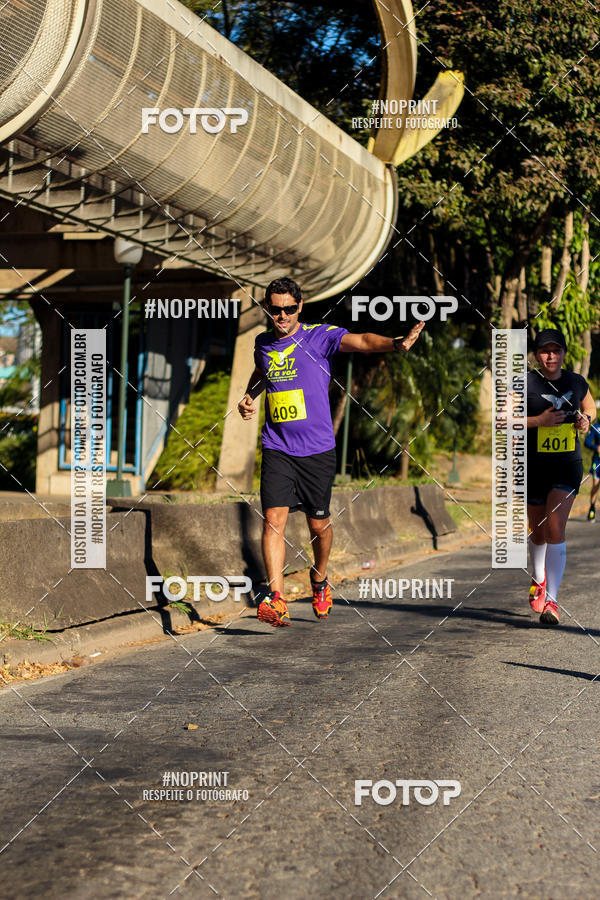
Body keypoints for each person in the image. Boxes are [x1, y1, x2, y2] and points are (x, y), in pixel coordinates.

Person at [238, 276, 424, 627]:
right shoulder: (262, 343)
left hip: (317, 451)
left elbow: (364, 341)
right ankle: (276, 600)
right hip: (277, 446)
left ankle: (320, 578)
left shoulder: (318, 337)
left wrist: (396, 343)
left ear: (300, 307)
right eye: (276, 310)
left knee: (318, 525)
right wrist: (250, 397)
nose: (282, 316)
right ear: (267, 308)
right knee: (273, 521)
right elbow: (263, 373)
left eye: (289, 310)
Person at [526, 328, 596, 625]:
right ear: (537, 355)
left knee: (556, 527)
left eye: (556, 350)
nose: (550, 355)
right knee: (538, 530)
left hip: (567, 464)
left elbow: (589, 405)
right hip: (532, 466)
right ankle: (539, 579)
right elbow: (503, 419)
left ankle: (552, 602)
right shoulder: (525, 381)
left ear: (564, 353)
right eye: (544, 350)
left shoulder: (576, 382)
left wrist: (586, 419)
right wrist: (538, 421)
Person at [584, 414, 600, 520]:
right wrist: (596, 447)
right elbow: (587, 442)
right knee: (595, 485)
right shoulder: (596, 426)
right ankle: (592, 508)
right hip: (597, 461)